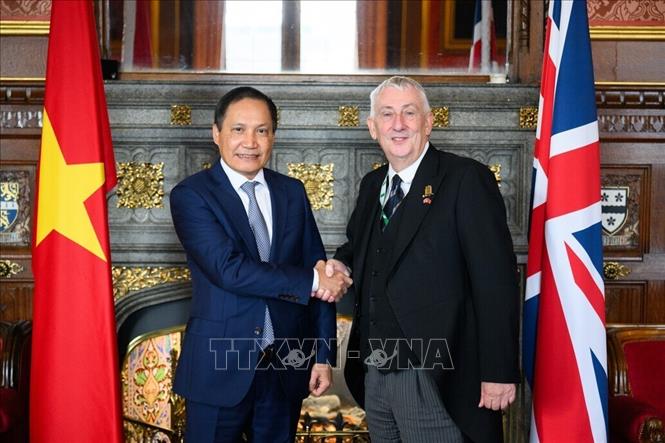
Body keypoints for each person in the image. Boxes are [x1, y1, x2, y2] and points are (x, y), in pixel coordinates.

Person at [324, 76, 520, 443]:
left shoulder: (465, 179)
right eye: (387, 114)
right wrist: (340, 264)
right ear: (373, 127)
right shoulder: (372, 184)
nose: (398, 124)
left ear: (428, 123)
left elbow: (496, 282)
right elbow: (360, 246)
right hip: (375, 373)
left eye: (409, 113)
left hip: (437, 376)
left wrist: (498, 371)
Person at [170, 86, 352, 442]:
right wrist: (314, 281)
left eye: (262, 130)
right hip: (218, 369)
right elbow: (229, 270)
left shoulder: (292, 192)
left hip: (285, 369)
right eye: (238, 129)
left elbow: (317, 265)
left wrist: (322, 355)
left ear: (273, 137)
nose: (250, 142)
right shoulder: (192, 195)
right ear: (216, 133)